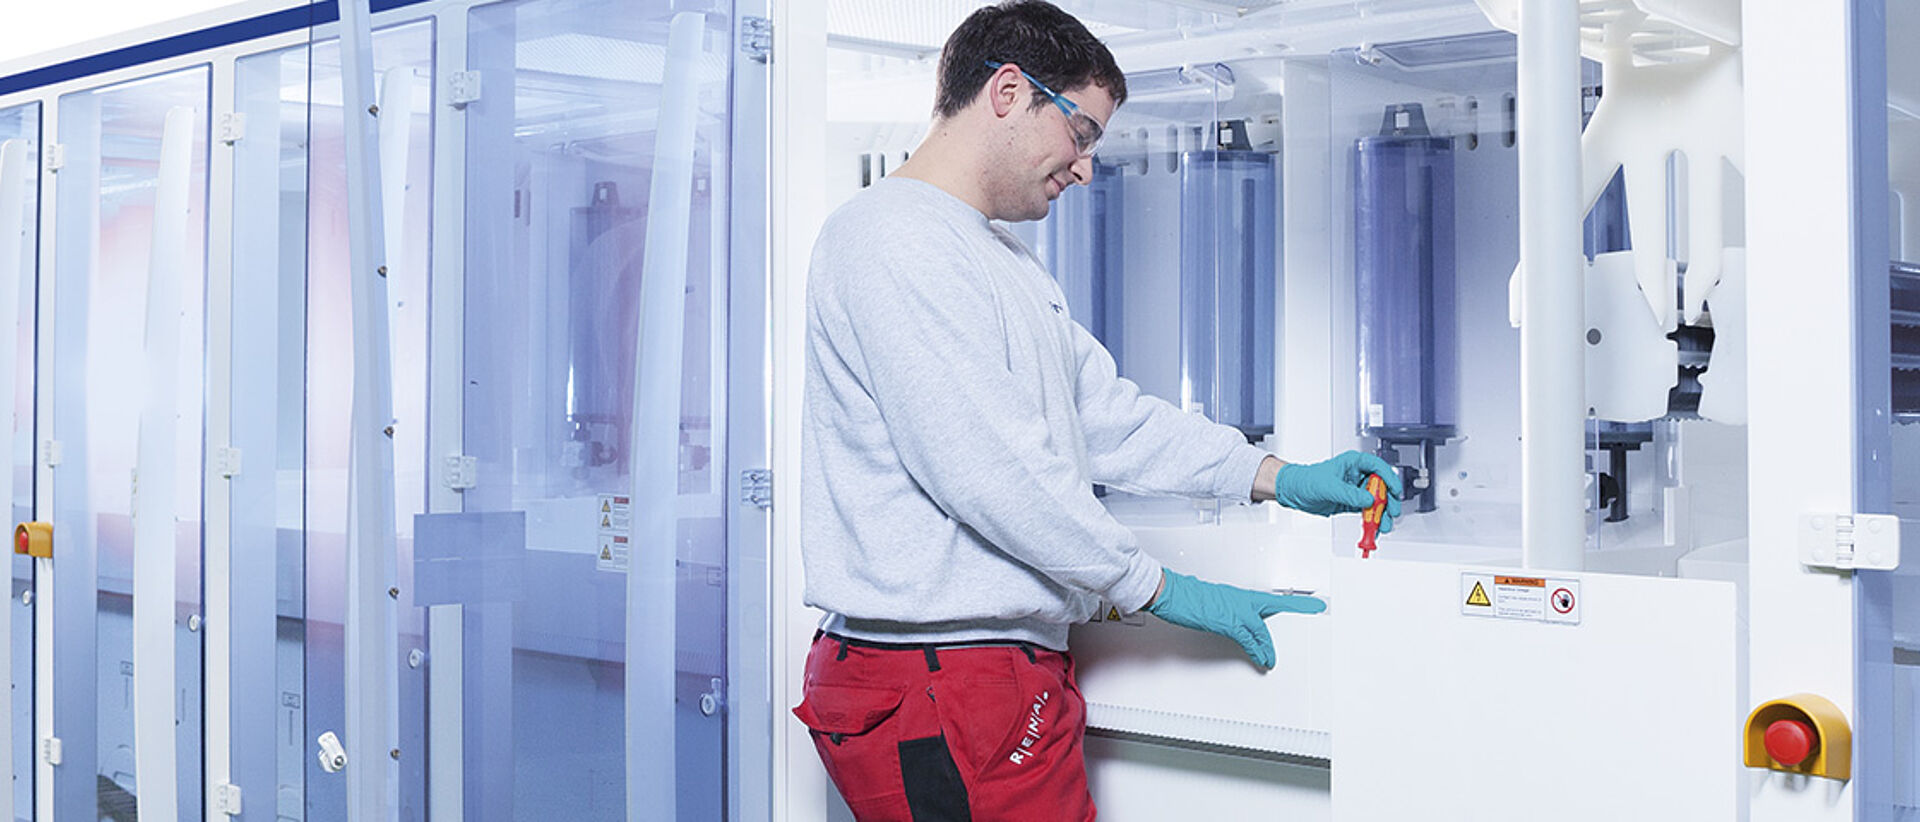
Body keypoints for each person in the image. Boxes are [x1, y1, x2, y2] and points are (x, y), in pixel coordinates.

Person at [793, 2, 1402, 819]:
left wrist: (1274, 476)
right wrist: (1155, 587)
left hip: (982, 676)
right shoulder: (894, 240)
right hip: (942, 679)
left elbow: (1103, 416)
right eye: (1081, 133)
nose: (1085, 168)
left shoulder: (997, 257)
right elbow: (991, 472)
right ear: (1008, 91)